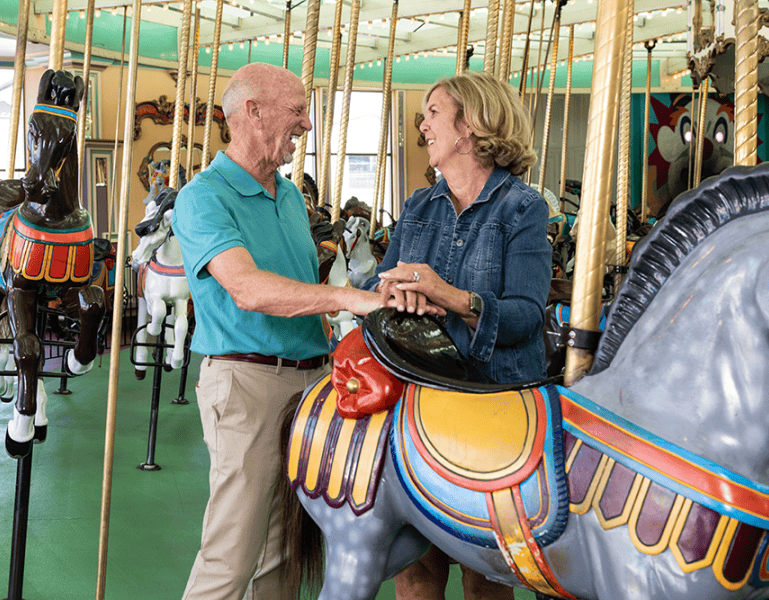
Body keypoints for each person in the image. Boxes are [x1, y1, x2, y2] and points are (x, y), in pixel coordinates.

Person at [172, 62, 389, 600]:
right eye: (297, 110)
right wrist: (344, 298)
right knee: (232, 554)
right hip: (248, 384)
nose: (307, 124)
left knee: (285, 557)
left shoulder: (291, 197)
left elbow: (301, 288)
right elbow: (246, 287)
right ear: (253, 111)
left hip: (310, 383)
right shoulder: (205, 197)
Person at [363, 70, 552, 600]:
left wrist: (451, 296)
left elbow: (525, 317)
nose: (422, 124)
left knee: (484, 573)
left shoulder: (523, 208)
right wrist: (394, 294)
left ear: (470, 127)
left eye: (433, 113)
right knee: (415, 569)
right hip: (421, 400)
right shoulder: (419, 206)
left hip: (493, 405)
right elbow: (385, 282)